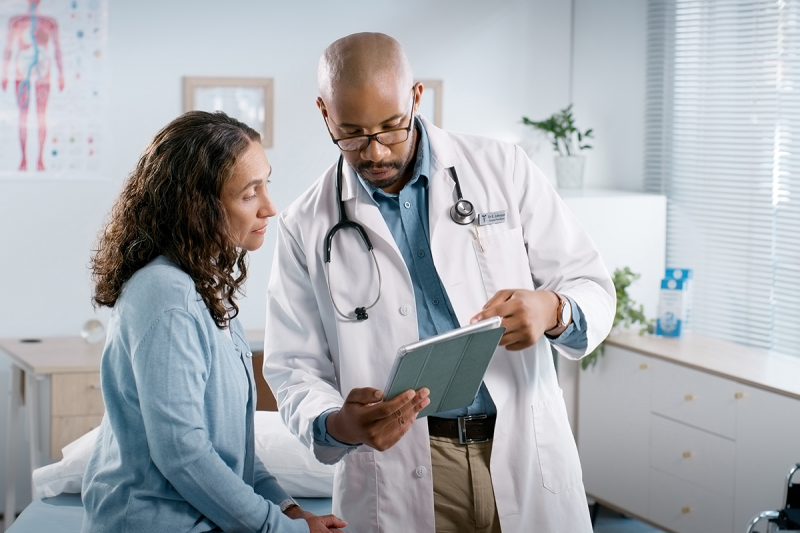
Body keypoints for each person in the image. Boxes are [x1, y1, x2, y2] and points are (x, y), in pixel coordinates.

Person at [263, 33, 615, 533]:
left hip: (519, 451)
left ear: (417, 97)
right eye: (353, 134)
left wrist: (553, 309)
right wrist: (337, 424)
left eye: (391, 127)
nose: (377, 150)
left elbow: (592, 286)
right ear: (324, 113)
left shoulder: (502, 169)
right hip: (401, 466)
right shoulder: (305, 223)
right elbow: (293, 367)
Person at [83, 111, 347, 533]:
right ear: (199, 207)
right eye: (249, 193)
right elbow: (183, 453)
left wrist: (286, 508)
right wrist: (279, 529)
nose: (269, 207)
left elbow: (231, 448)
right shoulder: (168, 296)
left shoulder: (206, 286)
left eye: (266, 184)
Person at [1, 0, 64, 171]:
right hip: (22, 73)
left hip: (43, 74)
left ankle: (40, 160)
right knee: (23, 117)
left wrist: (61, 75)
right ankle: (23, 160)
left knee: (41, 116)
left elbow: (57, 49)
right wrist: (5, 74)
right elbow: (8, 49)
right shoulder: (16, 22)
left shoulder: (49, 23)